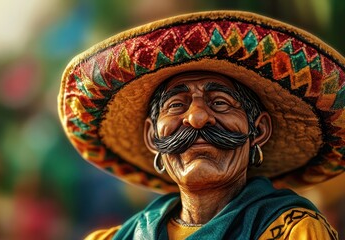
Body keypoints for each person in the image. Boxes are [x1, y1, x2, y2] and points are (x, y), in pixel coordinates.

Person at [58, 11, 344, 239]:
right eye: (176, 105)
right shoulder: (115, 238)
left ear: (259, 131)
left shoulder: (295, 232)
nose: (196, 118)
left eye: (220, 102)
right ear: (151, 136)